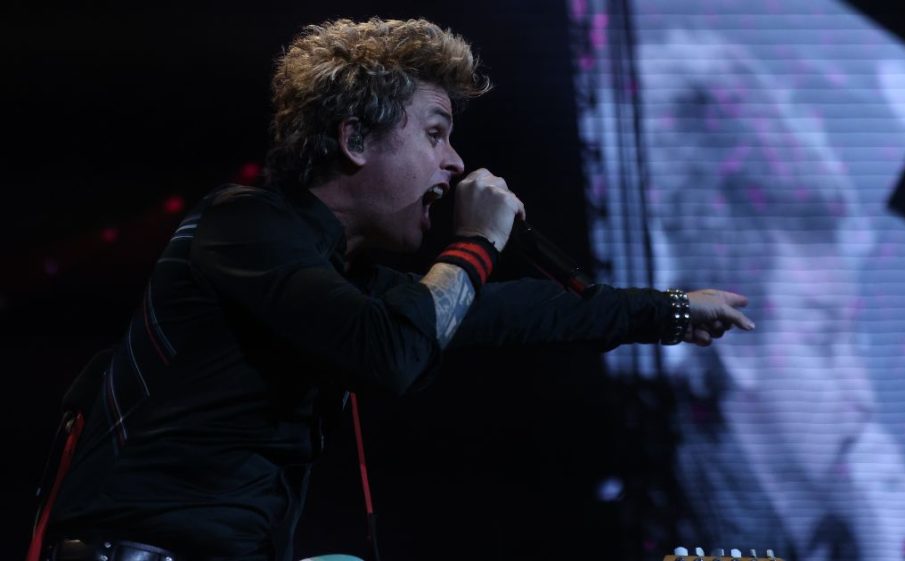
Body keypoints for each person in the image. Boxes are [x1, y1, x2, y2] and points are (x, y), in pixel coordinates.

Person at [30, 17, 755, 561]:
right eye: (435, 133)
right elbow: (393, 351)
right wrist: (475, 244)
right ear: (355, 140)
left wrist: (674, 309)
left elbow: (510, 311)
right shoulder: (239, 226)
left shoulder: (344, 277)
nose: (456, 160)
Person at [635, 28, 905, 561]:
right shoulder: (658, 501)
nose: (863, 396)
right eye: (821, 341)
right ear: (739, 347)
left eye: (853, 341)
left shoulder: (895, 504)